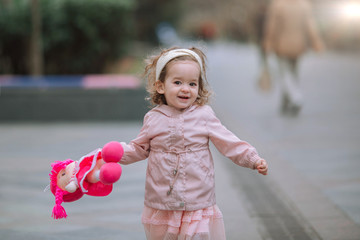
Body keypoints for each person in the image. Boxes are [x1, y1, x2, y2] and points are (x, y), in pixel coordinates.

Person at [119, 47, 268, 240]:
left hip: (197, 199)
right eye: (178, 82)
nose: (185, 88)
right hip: (162, 201)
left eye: (192, 83)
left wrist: (252, 158)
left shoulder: (203, 115)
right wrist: (112, 155)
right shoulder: (153, 118)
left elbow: (228, 141)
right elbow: (138, 148)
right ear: (161, 86)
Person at [263, 0, 324, 115]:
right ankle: (286, 102)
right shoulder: (304, 5)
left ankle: (296, 98)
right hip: (298, 45)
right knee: (293, 74)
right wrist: (316, 41)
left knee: (285, 74)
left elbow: (272, 26)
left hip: (282, 45)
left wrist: (268, 42)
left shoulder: (278, 5)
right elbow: (310, 25)